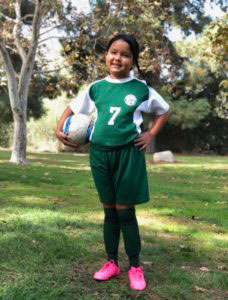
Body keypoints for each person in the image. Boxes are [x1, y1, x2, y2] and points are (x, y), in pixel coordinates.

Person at [56, 33, 170, 291]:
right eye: (113, 52)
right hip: (99, 153)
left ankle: (135, 266)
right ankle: (111, 262)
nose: (118, 58)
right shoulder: (96, 87)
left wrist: (150, 133)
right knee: (109, 211)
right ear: (106, 55)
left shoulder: (141, 89)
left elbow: (164, 110)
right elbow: (72, 108)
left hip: (128, 154)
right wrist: (58, 128)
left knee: (125, 212)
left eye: (125, 54)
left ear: (132, 60)